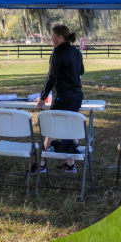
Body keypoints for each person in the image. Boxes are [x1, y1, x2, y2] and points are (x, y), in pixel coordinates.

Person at [34, 24, 84, 173]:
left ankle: (41, 164)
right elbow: (81, 71)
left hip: (63, 97)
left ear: (60, 38)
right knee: (73, 127)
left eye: (53, 36)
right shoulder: (76, 52)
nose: (51, 39)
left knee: (51, 128)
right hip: (77, 96)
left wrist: (42, 97)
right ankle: (70, 163)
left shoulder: (57, 52)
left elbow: (52, 77)